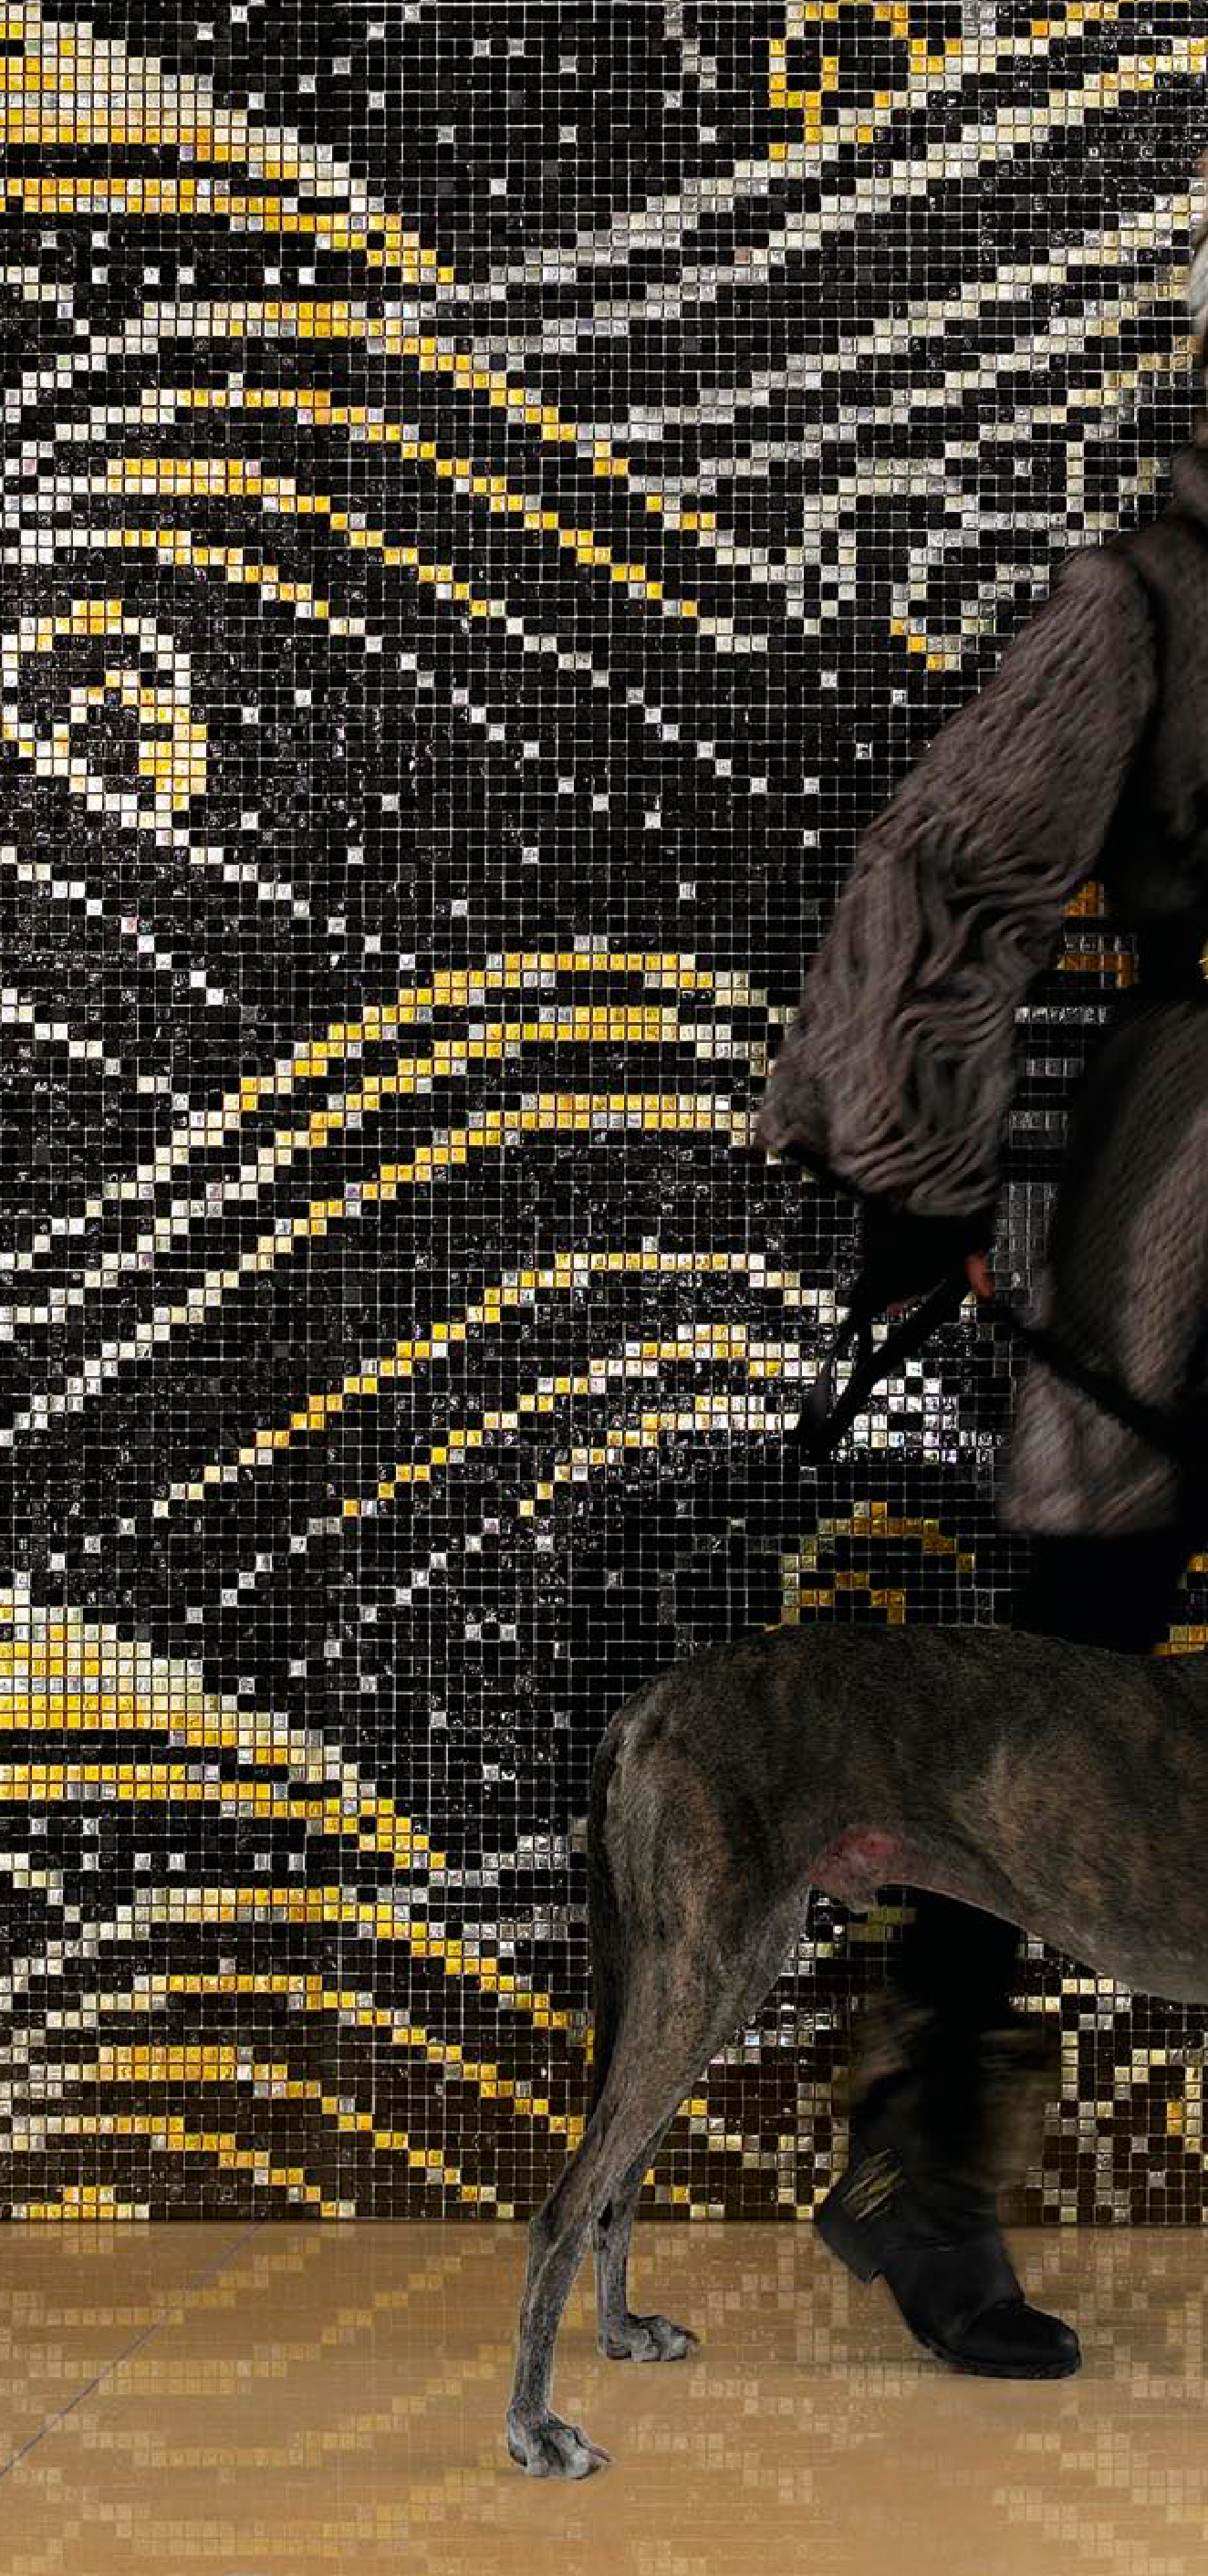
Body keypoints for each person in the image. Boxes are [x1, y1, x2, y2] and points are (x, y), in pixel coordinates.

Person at [755, 194, 1208, 2377]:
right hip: (1193, 1211)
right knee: (1058, 1688)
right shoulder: (1154, 595)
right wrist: (911, 1175)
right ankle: (917, 2162)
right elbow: (955, 863)